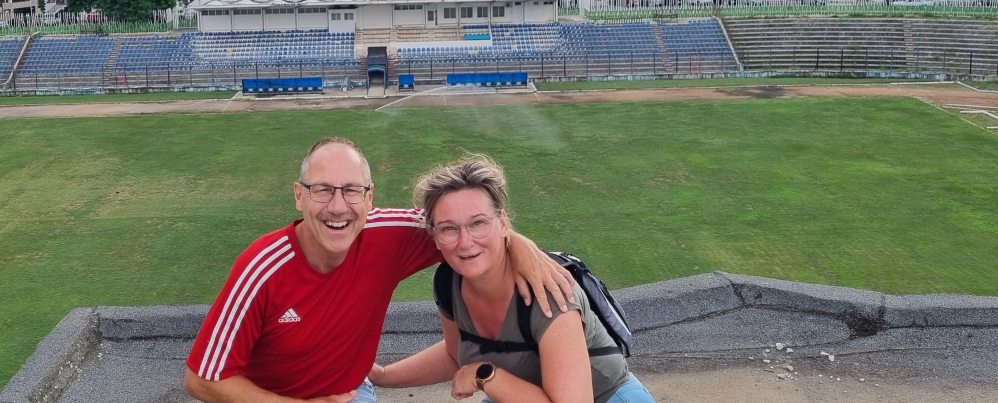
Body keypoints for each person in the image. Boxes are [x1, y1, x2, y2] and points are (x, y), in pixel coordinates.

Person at [184, 138, 578, 403]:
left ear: (369, 197)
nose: (338, 207)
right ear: (299, 196)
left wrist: (518, 243)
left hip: (353, 392)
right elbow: (202, 379)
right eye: (322, 189)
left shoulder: (391, 233)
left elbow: (466, 229)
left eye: (352, 190)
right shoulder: (261, 267)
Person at [368, 155, 656, 403]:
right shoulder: (448, 282)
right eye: (449, 228)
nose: (465, 242)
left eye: (478, 222)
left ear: (503, 222)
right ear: (435, 236)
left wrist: (486, 375)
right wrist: (381, 375)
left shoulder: (547, 290)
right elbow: (456, 355)